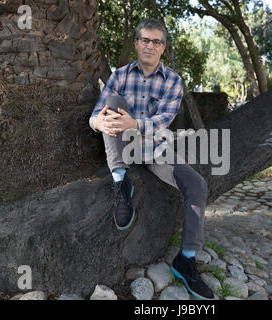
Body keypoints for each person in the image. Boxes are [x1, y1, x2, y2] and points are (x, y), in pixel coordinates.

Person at [89, 19, 214, 300]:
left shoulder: (173, 81)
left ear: (163, 48)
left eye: (156, 42)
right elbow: (97, 115)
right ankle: (121, 184)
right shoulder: (119, 76)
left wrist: (134, 124)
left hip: (156, 149)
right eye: (145, 40)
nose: (150, 45)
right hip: (121, 146)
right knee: (111, 108)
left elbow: (162, 122)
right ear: (136, 43)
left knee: (197, 185)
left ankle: (187, 258)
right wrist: (99, 121)